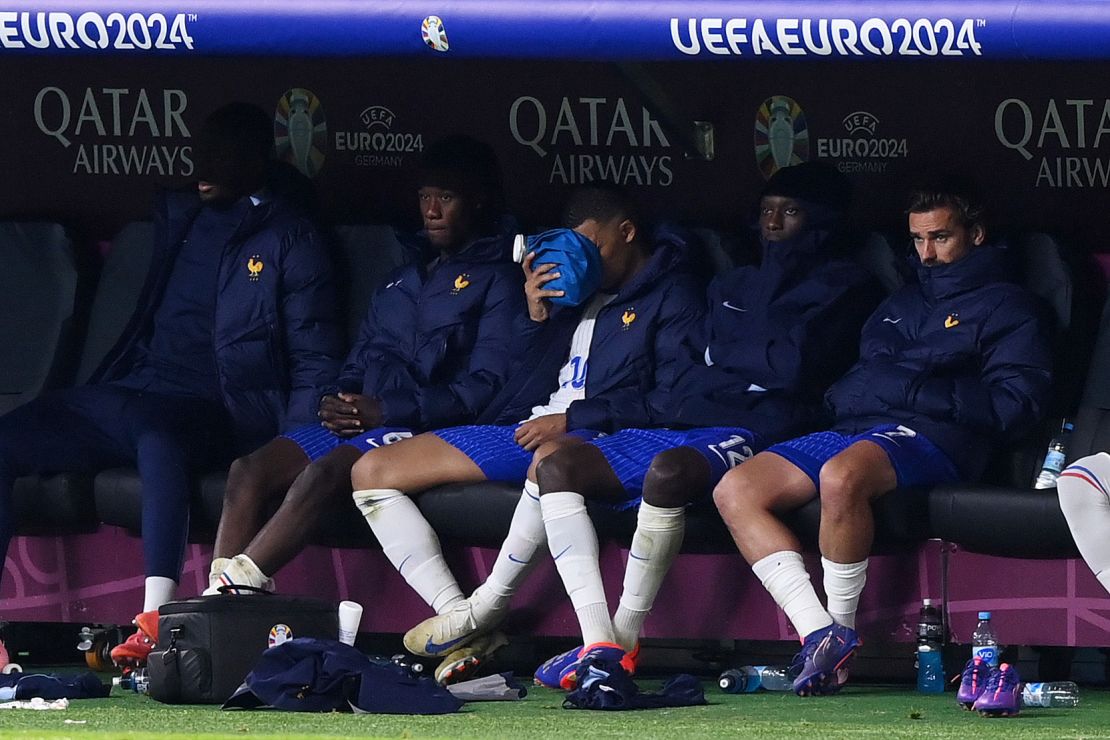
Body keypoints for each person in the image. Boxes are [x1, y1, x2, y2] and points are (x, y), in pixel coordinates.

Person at [404, 161, 883, 689]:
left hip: (763, 428)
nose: (773, 224)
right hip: (684, 415)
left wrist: (728, 360)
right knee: (555, 465)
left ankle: (618, 641)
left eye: (790, 212)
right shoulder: (734, 281)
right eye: (766, 211)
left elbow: (789, 368)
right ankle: (596, 646)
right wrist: (541, 317)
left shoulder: (843, 284)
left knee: (666, 473)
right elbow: (704, 363)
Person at [0, 102, 344, 666]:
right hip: (129, 390)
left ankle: (155, 618)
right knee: (7, 440)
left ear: (257, 160)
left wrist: (293, 444)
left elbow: (313, 349)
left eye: (220, 155)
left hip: (211, 407)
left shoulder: (289, 236)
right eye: (199, 151)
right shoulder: (181, 219)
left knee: (158, 440)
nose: (200, 164)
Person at [350, 182, 706, 683]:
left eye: (594, 247)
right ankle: (462, 620)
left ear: (627, 233)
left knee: (550, 459)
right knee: (371, 471)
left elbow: (674, 400)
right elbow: (515, 388)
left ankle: (491, 610)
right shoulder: (572, 289)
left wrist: (577, 419)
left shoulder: (674, 292)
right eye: (575, 246)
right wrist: (536, 316)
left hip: (603, 435)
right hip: (536, 423)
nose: (583, 259)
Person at [713, 176, 1054, 696]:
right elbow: (860, 378)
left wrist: (910, 383)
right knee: (735, 489)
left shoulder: (1010, 306)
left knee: (841, 476)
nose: (927, 253)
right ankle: (822, 635)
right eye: (918, 240)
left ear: (976, 234)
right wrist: (888, 383)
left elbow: (1016, 407)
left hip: (942, 437)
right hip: (861, 427)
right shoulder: (901, 302)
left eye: (940, 238)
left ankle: (841, 629)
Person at [205, 135, 523, 596]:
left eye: (446, 198)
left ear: (477, 201)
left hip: (422, 429)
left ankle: (230, 594)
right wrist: (338, 400)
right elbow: (359, 359)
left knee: (327, 472)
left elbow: (484, 388)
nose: (431, 210)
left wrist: (386, 410)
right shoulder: (401, 277)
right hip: (362, 421)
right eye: (424, 197)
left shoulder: (499, 280)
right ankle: (218, 600)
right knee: (247, 470)